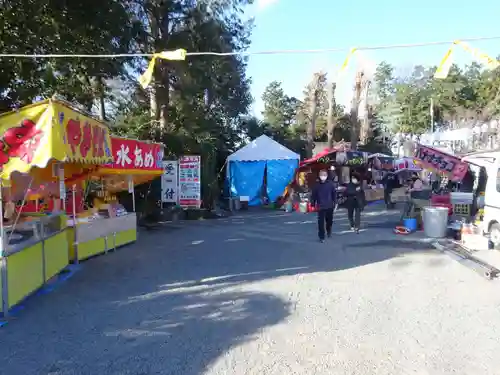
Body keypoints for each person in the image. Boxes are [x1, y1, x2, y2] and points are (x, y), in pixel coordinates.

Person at [311, 169, 337, 243]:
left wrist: (335, 203)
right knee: (320, 222)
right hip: (320, 206)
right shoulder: (316, 185)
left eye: (324, 175)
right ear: (319, 176)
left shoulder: (330, 184)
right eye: (321, 175)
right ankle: (321, 236)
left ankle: (329, 230)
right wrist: (312, 204)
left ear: (327, 175)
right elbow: (313, 196)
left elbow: (334, 194)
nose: (323, 176)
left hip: (329, 205)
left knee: (329, 221)